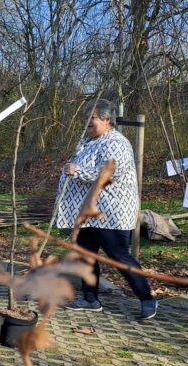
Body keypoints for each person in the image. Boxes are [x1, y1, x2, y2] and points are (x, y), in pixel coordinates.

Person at [56, 98, 156, 320]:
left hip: (111, 212)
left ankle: (147, 298)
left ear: (106, 119)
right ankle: (90, 299)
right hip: (89, 212)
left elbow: (111, 173)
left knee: (119, 256)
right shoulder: (88, 141)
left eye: (90, 118)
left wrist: (78, 171)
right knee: (86, 255)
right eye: (85, 119)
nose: (86, 123)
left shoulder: (116, 142)